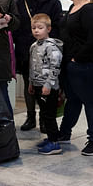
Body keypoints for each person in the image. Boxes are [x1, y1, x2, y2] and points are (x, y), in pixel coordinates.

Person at [57, 0, 93, 156]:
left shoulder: (89, 10)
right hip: (71, 64)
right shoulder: (72, 7)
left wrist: (78, 58)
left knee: (90, 101)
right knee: (73, 100)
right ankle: (64, 132)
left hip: (83, 65)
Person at [14, 0, 62, 132]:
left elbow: (57, 26)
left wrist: (50, 43)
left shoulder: (53, 3)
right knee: (29, 84)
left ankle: (44, 118)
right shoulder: (21, 1)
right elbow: (18, 24)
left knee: (45, 85)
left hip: (47, 51)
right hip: (26, 48)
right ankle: (30, 116)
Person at [27, 13, 63, 155]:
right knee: (44, 112)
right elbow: (32, 66)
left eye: (40, 28)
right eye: (33, 28)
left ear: (48, 29)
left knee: (49, 115)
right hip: (37, 84)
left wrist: (48, 85)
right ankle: (50, 138)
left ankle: (55, 142)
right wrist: (31, 82)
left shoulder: (51, 47)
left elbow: (55, 68)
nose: (36, 30)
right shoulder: (34, 46)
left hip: (48, 87)